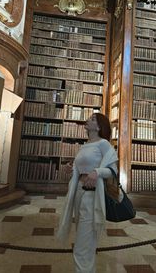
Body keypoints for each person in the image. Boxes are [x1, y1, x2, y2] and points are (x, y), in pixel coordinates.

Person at [57, 113, 118, 273]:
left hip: (92, 195)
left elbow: (112, 171)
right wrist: (72, 169)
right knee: (85, 240)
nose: (88, 119)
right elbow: (82, 167)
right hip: (79, 193)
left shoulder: (103, 144)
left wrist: (97, 172)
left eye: (92, 119)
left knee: (82, 246)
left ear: (98, 126)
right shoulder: (85, 145)